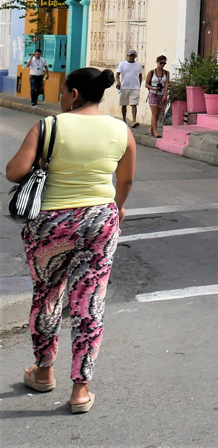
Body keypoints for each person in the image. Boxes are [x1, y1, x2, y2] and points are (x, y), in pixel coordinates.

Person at [5, 66, 135, 415]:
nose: (61, 98)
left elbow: (14, 171)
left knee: (47, 296)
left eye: (63, 92)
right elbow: (125, 181)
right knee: (89, 301)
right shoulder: (121, 130)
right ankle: (81, 389)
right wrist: (117, 209)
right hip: (100, 220)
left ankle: (44, 371)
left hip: (51, 224)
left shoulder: (49, 126)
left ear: (74, 94)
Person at [114, 50, 143, 128]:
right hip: (124, 87)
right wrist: (118, 82)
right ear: (128, 56)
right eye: (131, 55)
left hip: (135, 87)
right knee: (124, 104)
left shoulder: (138, 65)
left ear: (135, 56)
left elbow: (140, 75)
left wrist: (139, 85)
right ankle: (124, 120)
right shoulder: (122, 64)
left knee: (134, 104)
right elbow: (117, 74)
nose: (132, 57)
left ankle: (134, 120)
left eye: (133, 55)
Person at [145, 56, 169, 138]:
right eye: (161, 63)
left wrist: (165, 94)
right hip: (153, 94)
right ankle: (155, 131)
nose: (162, 65)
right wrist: (153, 88)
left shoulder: (166, 73)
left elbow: (166, 84)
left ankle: (151, 128)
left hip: (161, 94)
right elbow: (146, 84)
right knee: (154, 113)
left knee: (158, 114)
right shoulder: (151, 72)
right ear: (157, 62)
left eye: (164, 63)